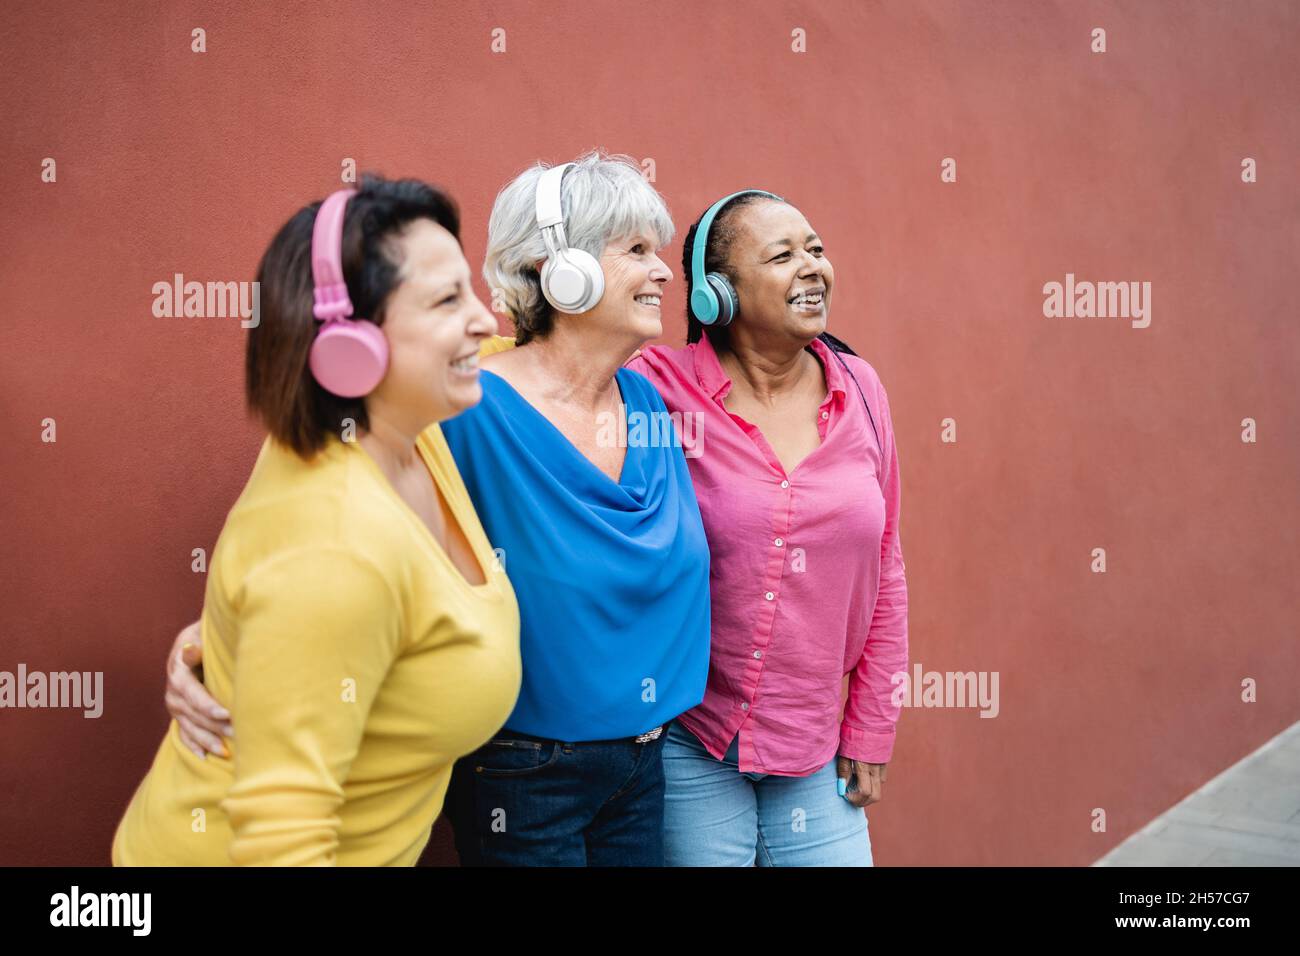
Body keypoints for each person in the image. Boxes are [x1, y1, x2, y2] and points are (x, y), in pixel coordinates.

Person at [159, 152, 712, 866]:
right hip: (531, 774)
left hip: (643, 764)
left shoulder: (644, 400)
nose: (664, 271)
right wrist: (209, 643)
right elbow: (302, 524)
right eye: (637, 250)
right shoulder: (461, 402)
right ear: (560, 271)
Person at [112, 175, 521, 866]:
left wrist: (227, 643)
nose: (487, 323)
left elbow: (555, 354)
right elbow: (284, 843)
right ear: (348, 347)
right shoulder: (336, 545)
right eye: (449, 299)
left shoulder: (407, 428)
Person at [621, 188, 910, 865]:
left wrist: (871, 727)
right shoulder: (656, 389)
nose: (812, 267)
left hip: (813, 745)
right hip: (694, 737)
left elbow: (887, 564)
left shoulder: (861, 390)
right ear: (716, 295)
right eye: (782, 256)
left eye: (816, 249)